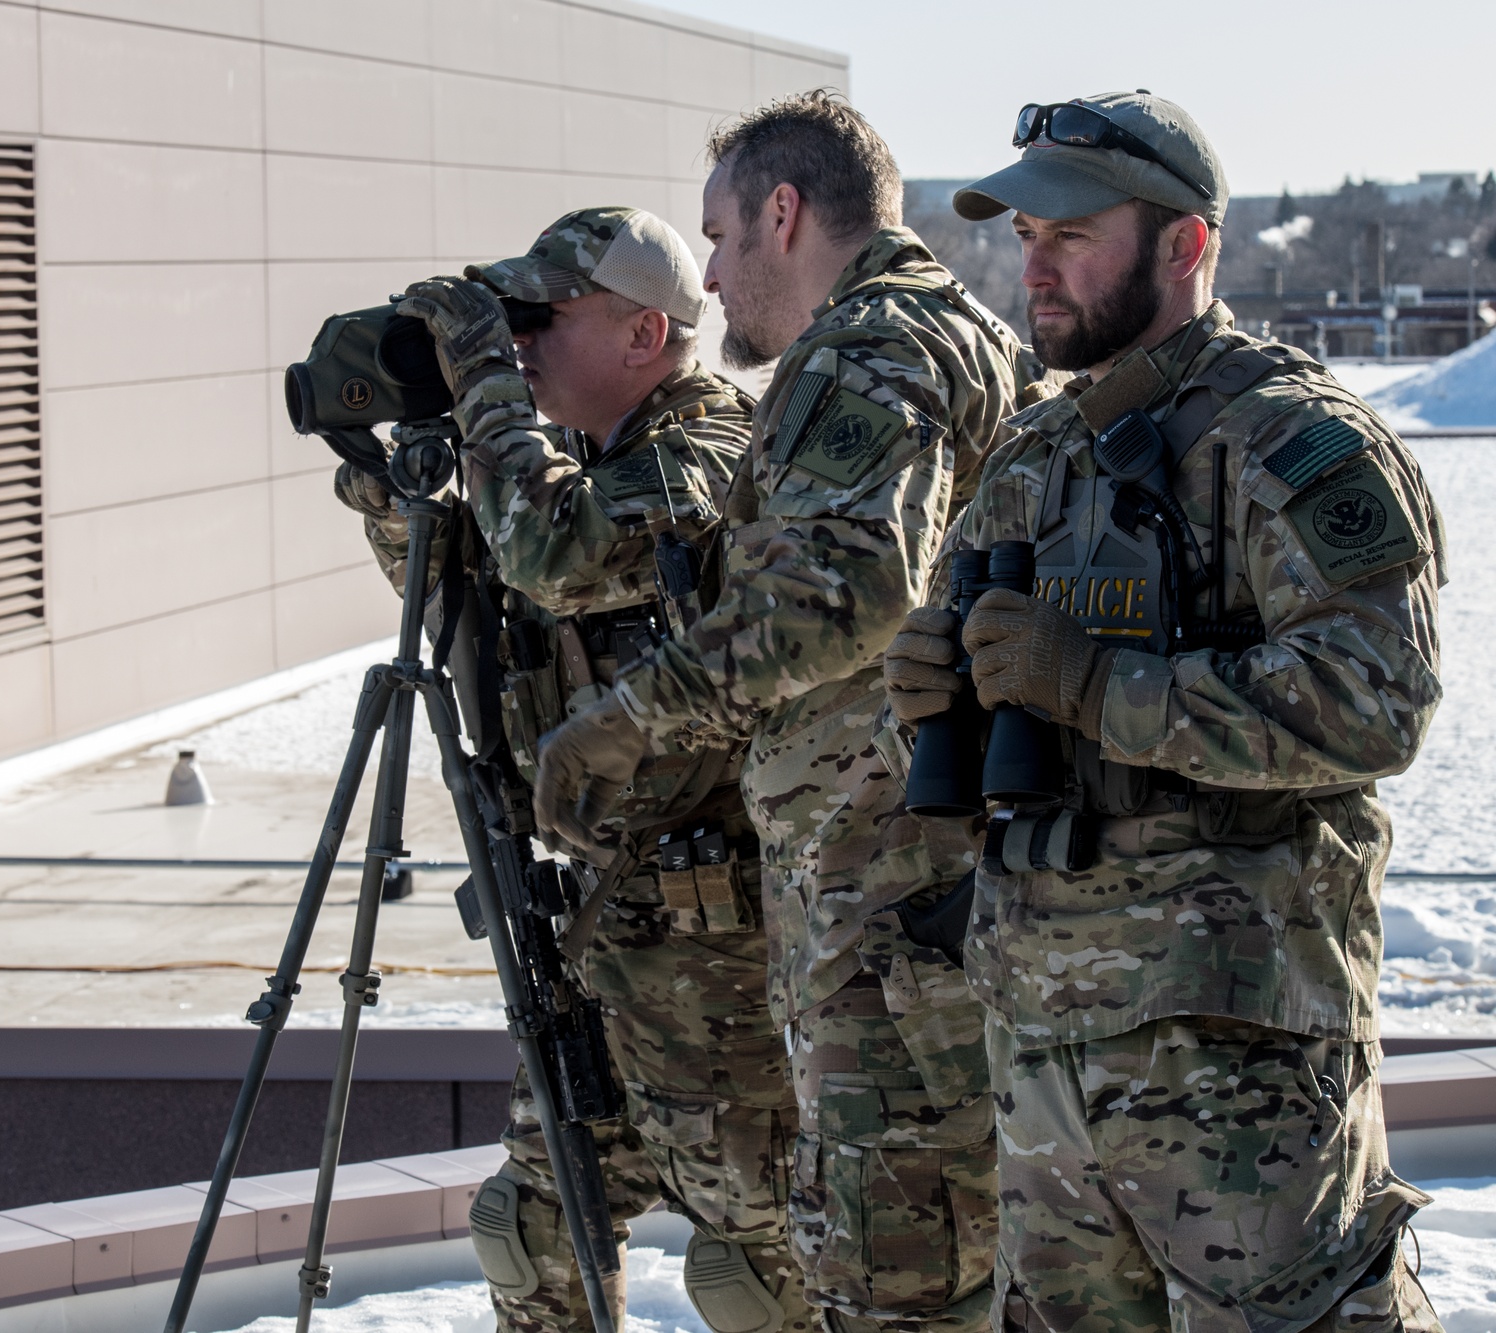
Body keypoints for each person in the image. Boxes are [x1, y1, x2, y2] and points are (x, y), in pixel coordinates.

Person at [881, 92, 1446, 1332]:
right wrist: (923, 698)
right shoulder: (1034, 456)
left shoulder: (1292, 444)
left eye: (1072, 233)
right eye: (1024, 233)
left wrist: (1094, 685)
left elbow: (1374, 703)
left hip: (1230, 1052)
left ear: (1184, 245)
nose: (1033, 264)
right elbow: (966, 722)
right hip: (1041, 1045)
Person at [535, 93, 1044, 1331]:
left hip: (889, 911)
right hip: (930, 895)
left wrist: (620, 720)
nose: (707, 279)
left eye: (716, 236)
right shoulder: (962, 332)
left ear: (783, 212)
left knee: (890, 1279)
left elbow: (833, 601)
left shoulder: (863, 346)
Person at [334, 206, 813, 1332]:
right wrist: (381, 471)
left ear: (644, 334)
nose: (511, 349)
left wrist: (484, 389)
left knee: (756, 1271)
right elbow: (461, 578)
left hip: (729, 966)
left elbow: (558, 555)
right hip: (590, 939)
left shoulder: (717, 456)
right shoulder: (562, 465)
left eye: (535, 321)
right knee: (531, 1226)